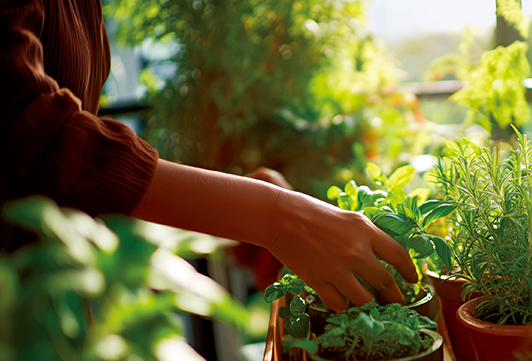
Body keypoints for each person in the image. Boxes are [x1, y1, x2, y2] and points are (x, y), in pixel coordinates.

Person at [0, 0, 417, 312]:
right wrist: (273, 215)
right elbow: (23, 126)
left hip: (53, 300)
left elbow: (65, 178)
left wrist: (234, 203)